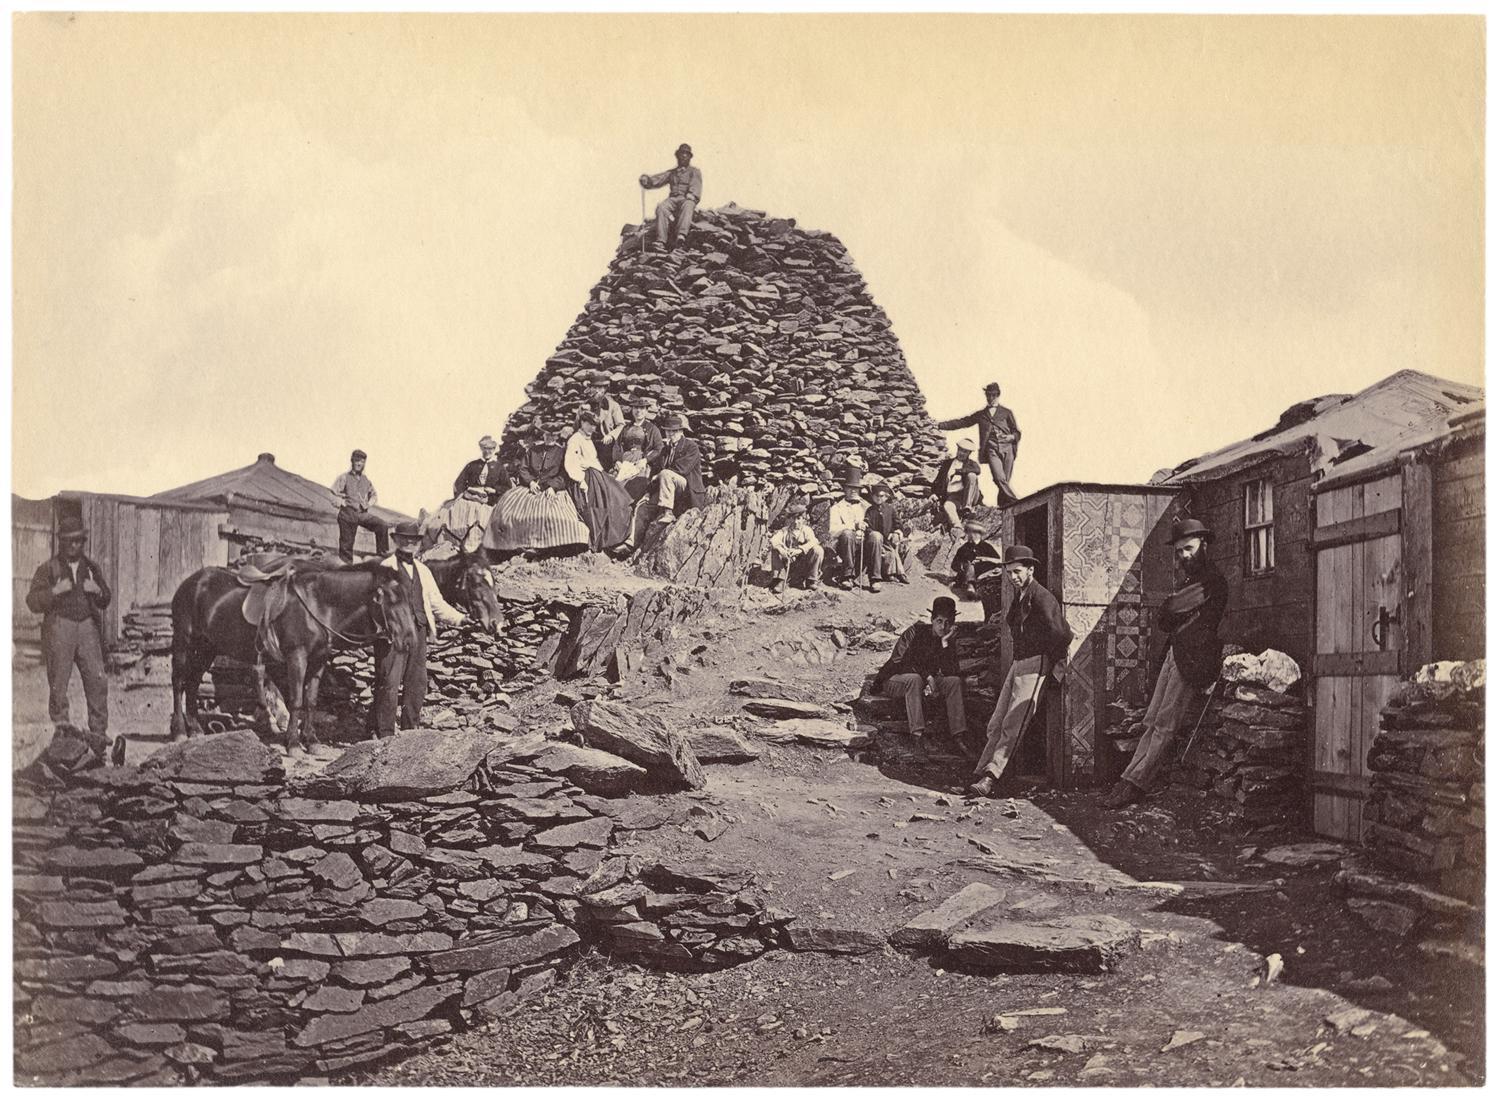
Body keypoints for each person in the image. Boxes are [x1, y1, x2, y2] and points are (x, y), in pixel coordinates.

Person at [1103, 519, 1229, 808]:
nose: (1184, 555)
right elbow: (1166, 617)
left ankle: (1136, 784)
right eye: (1180, 551)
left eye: (1189, 549)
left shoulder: (1210, 579)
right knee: (1151, 720)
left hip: (1194, 658)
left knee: (1164, 724)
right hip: (1177, 651)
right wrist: (1171, 609)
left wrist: (1172, 608)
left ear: (1204, 546)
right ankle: (1127, 778)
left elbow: (1169, 610)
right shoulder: (1192, 580)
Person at [967, 545, 1073, 797]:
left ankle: (991, 778)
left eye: (1017, 572)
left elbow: (1062, 633)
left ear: (1031, 570)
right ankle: (980, 770)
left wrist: (1053, 663)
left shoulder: (1041, 596)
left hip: (1035, 664)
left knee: (1013, 723)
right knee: (996, 722)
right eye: (1009, 573)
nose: (1013, 577)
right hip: (1018, 662)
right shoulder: (1022, 594)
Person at [371, 521, 465, 738]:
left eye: (413, 540)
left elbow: (436, 603)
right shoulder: (385, 568)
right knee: (389, 683)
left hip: (419, 632)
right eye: (404, 539)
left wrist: (461, 619)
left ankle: (409, 733)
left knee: (417, 684)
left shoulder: (423, 571)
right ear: (396, 541)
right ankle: (385, 735)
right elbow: (374, 604)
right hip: (393, 635)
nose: (409, 544)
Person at [27, 516, 111, 738]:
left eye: (78, 541)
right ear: (61, 542)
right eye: (69, 541)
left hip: (87, 628)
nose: (74, 546)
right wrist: (54, 592)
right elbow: (32, 601)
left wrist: (98, 591)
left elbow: (106, 598)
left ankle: (99, 737)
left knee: (97, 681)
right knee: (58, 685)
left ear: (83, 541)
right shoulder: (48, 569)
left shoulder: (92, 568)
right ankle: (63, 737)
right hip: (59, 628)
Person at [871, 596, 969, 762]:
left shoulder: (946, 639)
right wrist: (928, 677)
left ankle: (958, 737)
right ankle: (917, 736)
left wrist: (945, 643)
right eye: (939, 621)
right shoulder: (914, 632)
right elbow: (898, 661)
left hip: (922, 684)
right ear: (931, 620)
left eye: (947, 622)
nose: (943, 626)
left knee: (953, 682)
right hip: (895, 681)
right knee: (915, 679)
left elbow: (951, 671)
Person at [483, 418, 591, 558]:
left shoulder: (562, 452)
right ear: (543, 435)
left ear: (557, 436)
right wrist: (531, 482)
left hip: (552, 491)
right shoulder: (533, 450)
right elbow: (523, 468)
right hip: (530, 488)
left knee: (550, 516)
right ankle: (513, 545)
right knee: (508, 510)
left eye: (553, 435)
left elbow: (565, 474)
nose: (550, 438)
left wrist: (553, 487)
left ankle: (543, 547)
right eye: (547, 435)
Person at [936, 384, 1022, 506]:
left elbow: (1017, 432)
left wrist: (1011, 437)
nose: (991, 398)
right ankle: (1015, 502)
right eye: (988, 395)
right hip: (991, 449)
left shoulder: (1007, 413)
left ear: (998, 395)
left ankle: (1003, 506)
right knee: (999, 478)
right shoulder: (981, 414)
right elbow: (963, 422)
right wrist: (941, 425)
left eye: (993, 395)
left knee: (1005, 481)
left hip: (1008, 449)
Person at [565, 409, 635, 552]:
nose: (592, 428)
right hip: (586, 479)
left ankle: (618, 539)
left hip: (597, 476)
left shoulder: (587, 439)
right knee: (601, 506)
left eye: (595, 425)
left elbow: (593, 460)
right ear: (582, 423)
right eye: (589, 424)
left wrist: (604, 475)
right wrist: (580, 481)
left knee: (620, 499)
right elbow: (571, 463)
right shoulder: (575, 440)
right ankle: (604, 541)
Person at [639, 143, 702, 251]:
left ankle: (681, 236)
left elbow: (696, 185)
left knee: (688, 204)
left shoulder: (694, 171)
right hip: (672, 199)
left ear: (689, 157)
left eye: (686, 154)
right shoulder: (672, 173)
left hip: (685, 198)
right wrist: (647, 180)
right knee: (661, 207)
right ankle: (660, 241)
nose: (683, 156)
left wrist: (691, 194)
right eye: (681, 154)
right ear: (677, 156)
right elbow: (658, 179)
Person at [333, 450, 390, 563]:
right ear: (352, 461)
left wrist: (368, 503)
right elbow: (333, 492)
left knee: (382, 525)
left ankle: (382, 559)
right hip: (347, 513)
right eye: (357, 461)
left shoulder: (366, 480)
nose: (359, 464)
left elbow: (374, 495)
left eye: (362, 462)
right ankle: (346, 569)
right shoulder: (344, 477)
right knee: (347, 545)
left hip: (362, 513)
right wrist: (341, 503)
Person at [649, 412, 706, 521]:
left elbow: (682, 468)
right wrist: (649, 490)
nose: (670, 434)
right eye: (668, 431)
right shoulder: (665, 449)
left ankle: (668, 513)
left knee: (665, 473)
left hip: (688, 487)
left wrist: (658, 476)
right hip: (670, 486)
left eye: (674, 431)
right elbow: (657, 468)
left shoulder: (691, 447)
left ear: (681, 431)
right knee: (646, 505)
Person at [950, 518, 1005, 620]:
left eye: (975, 532)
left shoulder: (987, 547)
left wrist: (984, 559)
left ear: (979, 533)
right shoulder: (963, 549)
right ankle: (970, 587)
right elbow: (954, 565)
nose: (972, 535)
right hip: (967, 575)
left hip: (984, 573)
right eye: (970, 532)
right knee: (969, 564)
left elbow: (997, 561)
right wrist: (962, 566)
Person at [827, 477, 876, 591]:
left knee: (875, 536)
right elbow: (833, 531)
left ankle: (874, 579)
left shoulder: (867, 506)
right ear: (844, 489)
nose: (853, 491)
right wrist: (853, 526)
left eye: (856, 488)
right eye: (850, 488)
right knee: (848, 534)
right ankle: (847, 577)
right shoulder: (837, 508)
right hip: (845, 544)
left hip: (864, 541)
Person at [768, 504, 823, 592]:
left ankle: (811, 580)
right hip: (788, 565)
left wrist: (799, 550)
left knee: (818, 549)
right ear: (789, 519)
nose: (796, 522)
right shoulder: (785, 530)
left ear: (803, 519)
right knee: (775, 549)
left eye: (798, 518)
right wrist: (782, 550)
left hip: (803, 564)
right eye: (793, 518)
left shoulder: (807, 530)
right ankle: (781, 580)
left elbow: (813, 541)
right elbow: (773, 540)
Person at [864, 481, 909, 584]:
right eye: (876, 496)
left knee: (894, 551)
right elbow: (867, 527)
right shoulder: (870, 511)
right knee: (887, 553)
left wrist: (896, 533)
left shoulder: (890, 509)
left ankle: (896, 573)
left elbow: (898, 524)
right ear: (872, 496)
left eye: (881, 496)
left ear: (886, 497)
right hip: (876, 541)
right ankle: (891, 574)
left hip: (889, 539)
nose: (879, 498)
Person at [931, 439, 982, 530]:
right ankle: (958, 528)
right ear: (957, 449)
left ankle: (968, 508)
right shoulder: (947, 463)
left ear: (969, 453)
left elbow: (977, 470)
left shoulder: (971, 464)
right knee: (948, 506)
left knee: (971, 476)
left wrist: (959, 471)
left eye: (965, 452)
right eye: (960, 450)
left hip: (969, 495)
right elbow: (938, 480)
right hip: (954, 497)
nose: (962, 453)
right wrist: (934, 493)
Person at [453, 435, 510, 506]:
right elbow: (459, 482)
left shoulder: (499, 467)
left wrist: (495, 490)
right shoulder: (472, 465)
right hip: (470, 500)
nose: (487, 451)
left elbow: (508, 487)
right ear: (481, 448)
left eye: (490, 449)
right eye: (484, 448)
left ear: (494, 449)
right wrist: (463, 493)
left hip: (489, 502)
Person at [590, 387, 627, 470]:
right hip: (590, 443)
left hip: (607, 444)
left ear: (604, 390)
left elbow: (621, 424)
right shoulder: (585, 406)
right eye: (594, 387)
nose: (596, 391)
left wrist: (611, 435)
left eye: (599, 389)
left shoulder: (613, 405)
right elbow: (577, 427)